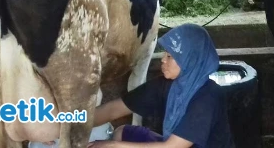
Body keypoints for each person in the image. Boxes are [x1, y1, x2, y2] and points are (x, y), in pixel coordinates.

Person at [87, 24, 235, 148]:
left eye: (170, 56)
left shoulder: (208, 96)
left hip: (172, 146)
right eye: (165, 54)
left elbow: (171, 146)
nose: (163, 60)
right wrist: (68, 120)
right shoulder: (167, 85)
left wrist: (112, 145)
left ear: (190, 60)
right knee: (121, 133)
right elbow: (112, 110)